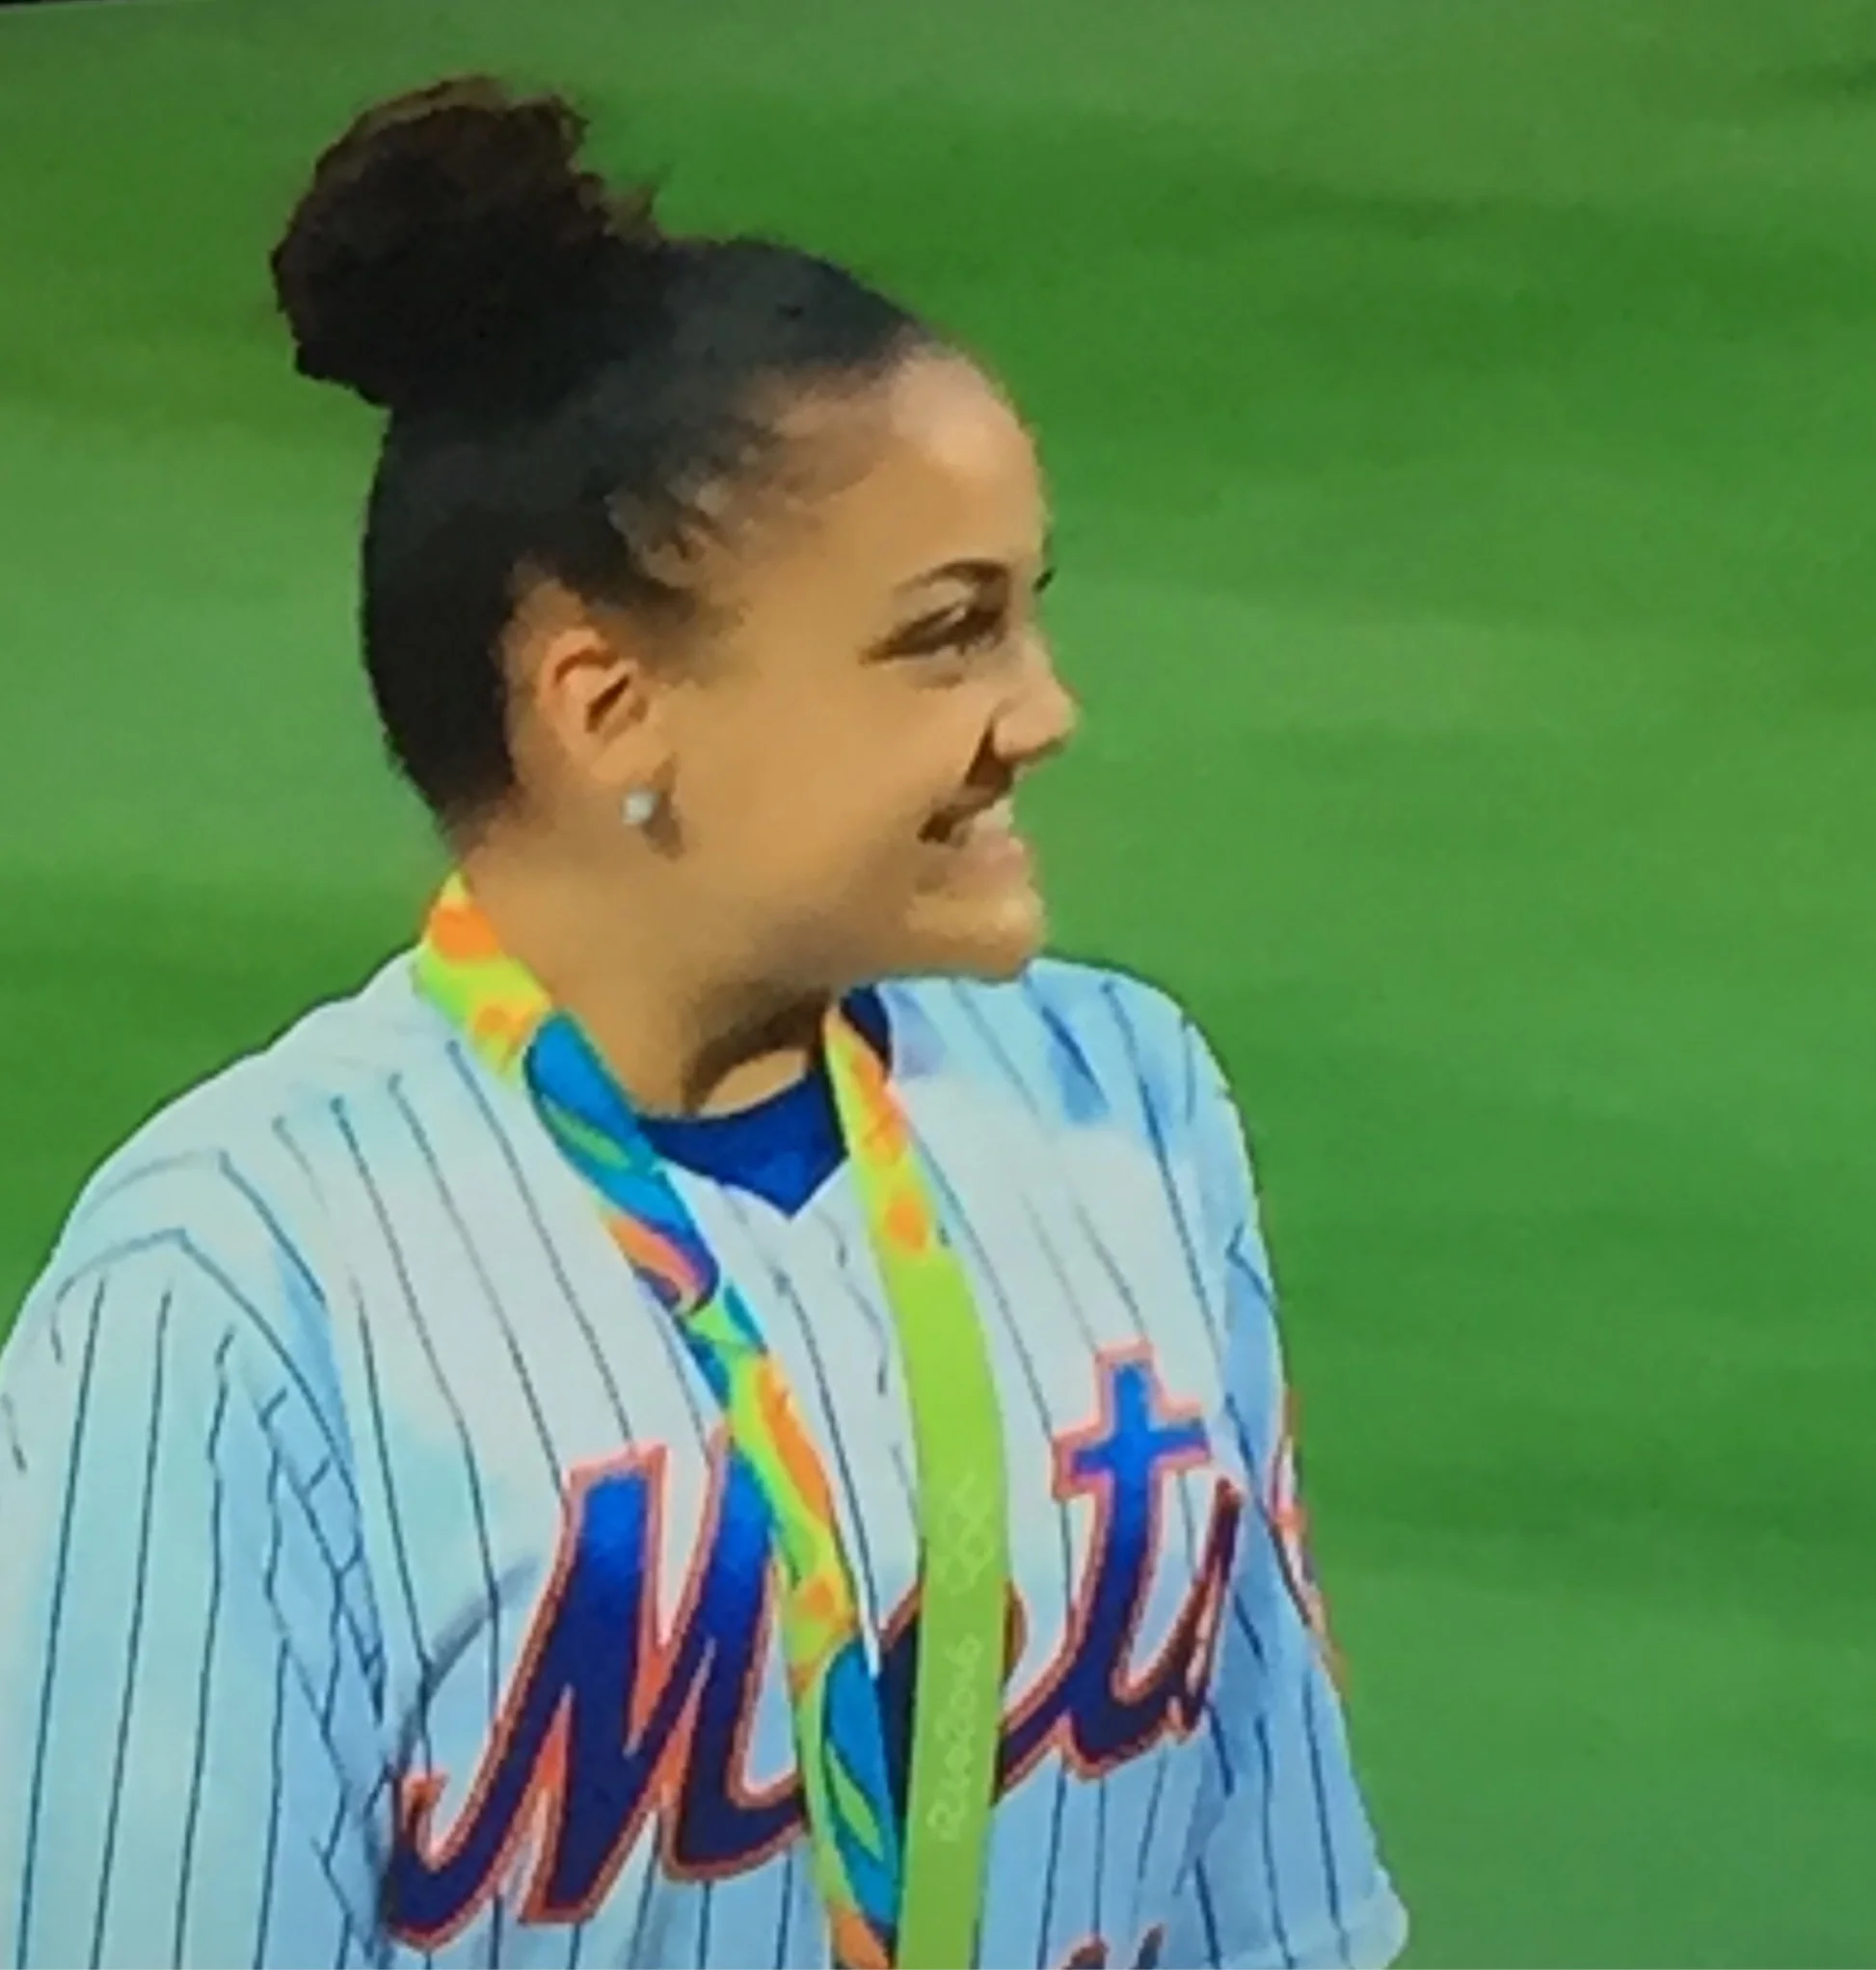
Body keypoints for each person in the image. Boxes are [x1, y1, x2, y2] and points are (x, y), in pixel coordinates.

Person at [0, 76, 1407, 1970]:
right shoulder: (237, 1292)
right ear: (607, 709)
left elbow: (1272, 1909)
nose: (1043, 707)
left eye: (1027, 616)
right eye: (944, 633)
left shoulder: (1121, 1102)